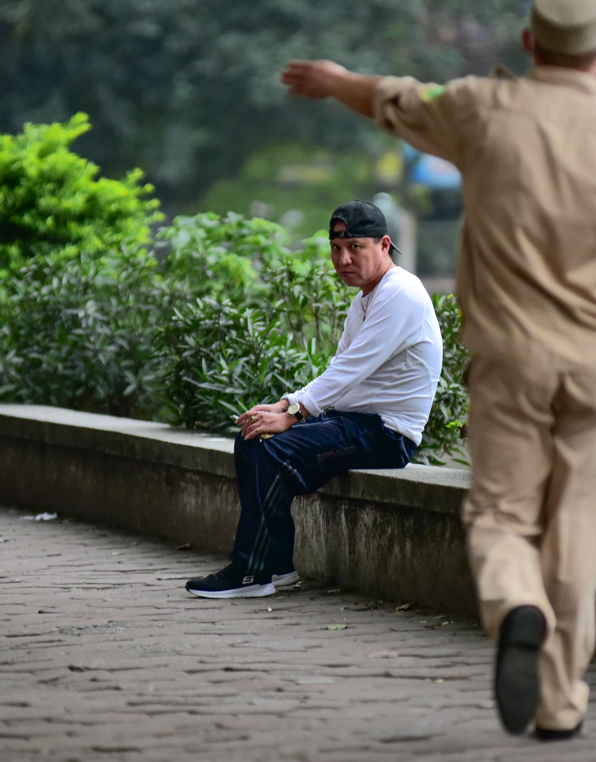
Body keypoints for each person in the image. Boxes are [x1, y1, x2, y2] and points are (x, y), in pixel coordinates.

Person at [280, 0, 596, 741]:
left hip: (510, 369)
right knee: (578, 536)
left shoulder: (483, 111)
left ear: (530, 40)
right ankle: (560, 703)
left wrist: (335, 80)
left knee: (501, 516)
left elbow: (395, 97)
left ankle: (516, 607)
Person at [186, 200, 443, 599]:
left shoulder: (401, 294)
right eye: (336, 249)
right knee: (256, 438)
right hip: (353, 423)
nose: (343, 259)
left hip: (385, 434)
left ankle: (252, 570)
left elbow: (350, 369)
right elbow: (341, 368)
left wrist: (294, 412)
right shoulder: (364, 301)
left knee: (272, 451)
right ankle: (278, 565)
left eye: (355, 247)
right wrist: (285, 403)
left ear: (384, 245)